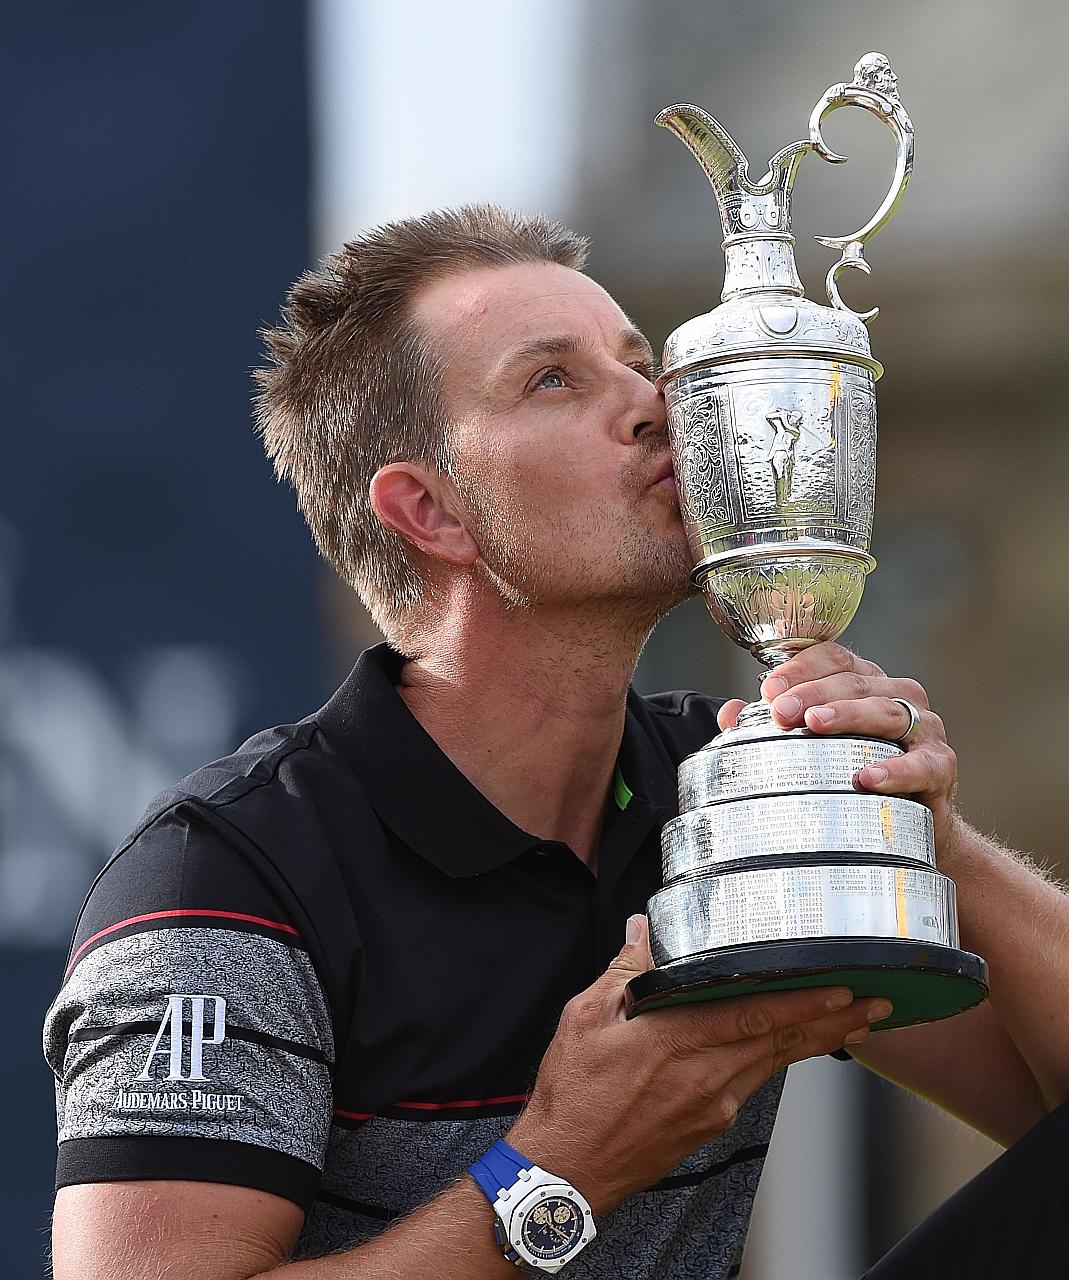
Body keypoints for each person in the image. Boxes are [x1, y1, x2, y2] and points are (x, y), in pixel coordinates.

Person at [45, 206, 1069, 1280]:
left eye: (641, 363)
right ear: (429, 510)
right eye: (553, 380)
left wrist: (928, 833)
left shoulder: (719, 786)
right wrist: (562, 1167)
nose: (656, 407)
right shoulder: (226, 876)